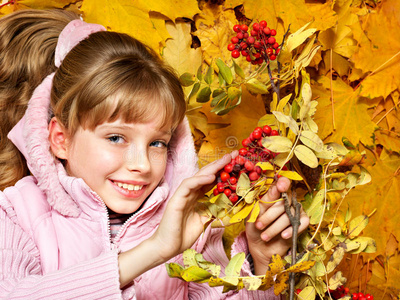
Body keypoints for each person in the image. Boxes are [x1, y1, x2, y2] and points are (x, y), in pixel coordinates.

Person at [0, 9, 310, 299]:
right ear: (60, 139)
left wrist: (264, 266)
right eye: (117, 137)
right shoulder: (16, 214)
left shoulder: (188, 224)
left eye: (157, 143)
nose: (142, 165)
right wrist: (155, 251)